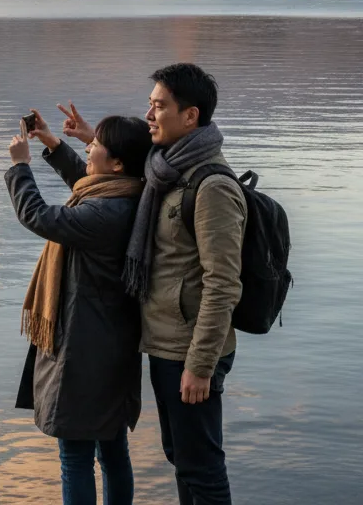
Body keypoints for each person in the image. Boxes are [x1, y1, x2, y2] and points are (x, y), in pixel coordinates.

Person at [5, 109, 151, 505]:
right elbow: (87, 182)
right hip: (113, 343)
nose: (89, 149)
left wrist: (21, 168)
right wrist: (53, 143)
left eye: (97, 145)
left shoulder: (104, 213)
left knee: (74, 456)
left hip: (84, 351)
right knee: (112, 449)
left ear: (118, 162)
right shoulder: (129, 195)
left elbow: (39, 216)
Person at [123, 63, 247, 505]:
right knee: (182, 457)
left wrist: (200, 364)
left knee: (202, 466)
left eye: (159, 106)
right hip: (165, 342)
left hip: (190, 350)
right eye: (151, 104)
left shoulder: (211, 185)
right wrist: (70, 145)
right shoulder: (166, 169)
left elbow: (223, 284)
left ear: (190, 116)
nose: (149, 114)